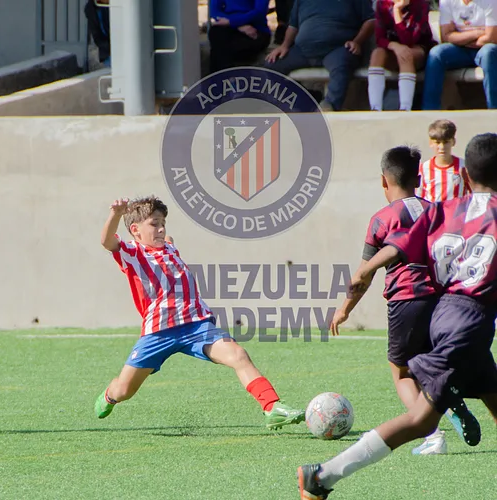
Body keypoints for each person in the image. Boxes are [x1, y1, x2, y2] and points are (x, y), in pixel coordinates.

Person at [297, 133, 497, 499]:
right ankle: (322, 476)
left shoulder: (444, 211)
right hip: (466, 324)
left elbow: (399, 246)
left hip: (451, 317)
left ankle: (322, 477)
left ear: (466, 175)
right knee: (419, 420)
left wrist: (365, 269)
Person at [95, 196, 305, 430]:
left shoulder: (169, 247)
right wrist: (116, 214)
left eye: (163, 223)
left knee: (238, 355)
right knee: (125, 390)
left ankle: (271, 407)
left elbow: (168, 244)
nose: (161, 229)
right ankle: (109, 395)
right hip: (158, 333)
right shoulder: (133, 253)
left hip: (196, 325)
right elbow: (107, 241)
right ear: (135, 230)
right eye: (154, 224)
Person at [330, 145, 478, 455]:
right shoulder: (438, 211)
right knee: (428, 364)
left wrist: (344, 310)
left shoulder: (382, 219)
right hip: (443, 301)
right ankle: (450, 399)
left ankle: (432, 435)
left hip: (407, 300)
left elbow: (363, 275)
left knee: (401, 372)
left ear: (384, 181)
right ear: (419, 179)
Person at [265, 0, 375, 111]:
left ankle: (329, 107)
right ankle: (305, 101)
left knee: (342, 65)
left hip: (337, 49)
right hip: (303, 51)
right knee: (271, 64)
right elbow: (293, 26)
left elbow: (370, 21)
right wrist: (284, 45)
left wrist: (357, 42)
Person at [422, 0, 497, 110]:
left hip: (484, 49)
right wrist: (477, 33)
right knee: (436, 54)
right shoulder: (447, 1)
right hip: (460, 50)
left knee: (489, 52)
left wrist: (461, 38)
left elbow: (491, 38)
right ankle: (429, 110)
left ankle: (493, 108)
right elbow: (446, 36)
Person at [368, 0, 436, 111]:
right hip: (394, 49)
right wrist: (394, 46)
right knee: (377, 54)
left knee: (406, 54)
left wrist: (397, 10)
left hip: (417, 48)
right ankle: (375, 108)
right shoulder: (382, 4)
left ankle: (405, 108)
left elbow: (409, 40)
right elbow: (379, 38)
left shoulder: (420, 4)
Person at [208, 0, 272, 73]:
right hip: (230, 27)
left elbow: (259, 11)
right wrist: (236, 24)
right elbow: (214, 12)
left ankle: (222, 77)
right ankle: (226, 76)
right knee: (215, 33)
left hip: (255, 30)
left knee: (220, 49)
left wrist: (232, 22)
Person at [418, 119, 472, 202]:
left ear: (453, 142)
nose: (442, 147)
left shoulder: (464, 166)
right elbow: (419, 198)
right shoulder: (424, 168)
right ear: (431, 143)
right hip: (434, 210)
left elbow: (473, 194)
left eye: (446, 142)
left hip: (457, 210)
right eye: (437, 142)